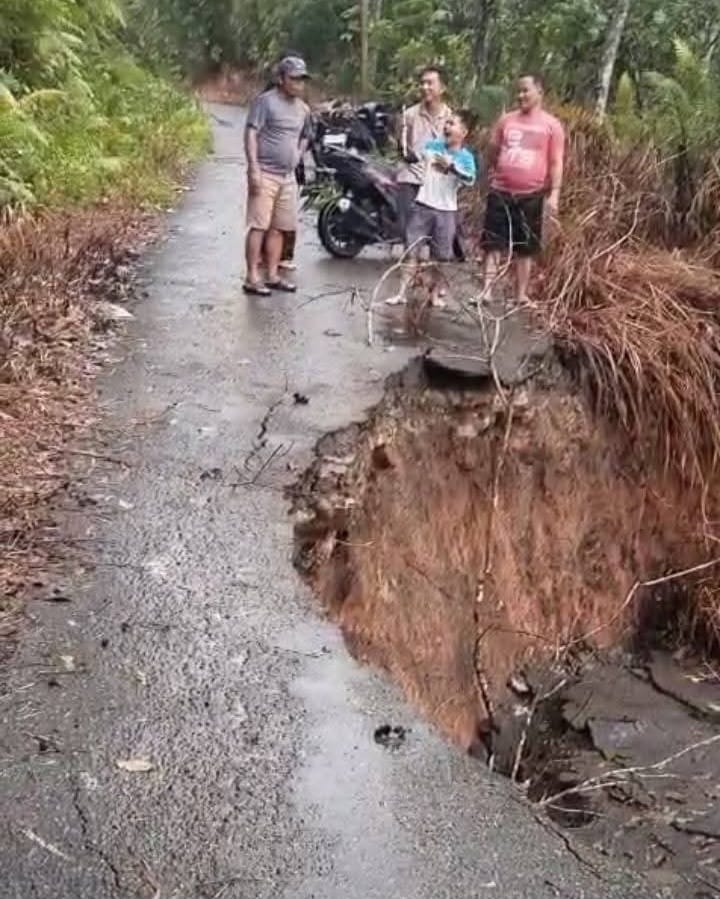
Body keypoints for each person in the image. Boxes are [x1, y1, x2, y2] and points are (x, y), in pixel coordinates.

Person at [481, 74, 565, 303]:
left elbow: (557, 162)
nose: (521, 95)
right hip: (500, 190)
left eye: (526, 90)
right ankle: (486, 291)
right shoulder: (506, 121)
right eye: (518, 91)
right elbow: (493, 148)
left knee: (525, 246)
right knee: (492, 243)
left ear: (539, 92)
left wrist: (554, 194)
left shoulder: (552, 126)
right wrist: (487, 172)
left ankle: (520, 295)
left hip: (531, 194)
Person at [387, 111, 476, 308]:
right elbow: (413, 156)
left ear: (463, 132)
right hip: (423, 205)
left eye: (452, 124)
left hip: (446, 211)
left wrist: (452, 167)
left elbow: (469, 179)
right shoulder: (432, 146)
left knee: (441, 257)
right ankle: (401, 292)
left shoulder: (466, 158)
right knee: (411, 251)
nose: (446, 127)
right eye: (446, 123)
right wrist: (401, 141)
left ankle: (434, 295)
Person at [243, 56, 311, 295]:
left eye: (302, 79)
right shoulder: (266, 102)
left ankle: (272, 274)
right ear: (281, 79)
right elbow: (251, 133)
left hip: (288, 176)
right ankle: (252, 276)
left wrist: (297, 155)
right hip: (265, 172)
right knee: (258, 225)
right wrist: (253, 168)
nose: (299, 84)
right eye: (294, 79)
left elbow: (306, 135)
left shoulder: (303, 109)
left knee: (280, 227)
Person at [396, 66, 453, 242]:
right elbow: (401, 146)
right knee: (411, 240)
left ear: (442, 88)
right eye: (422, 83)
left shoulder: (451, 118)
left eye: (430, 83)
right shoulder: (410, 115)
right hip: (411, 181)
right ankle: (409, 268)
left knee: (439, 243)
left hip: (437, 184)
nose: (425, 87)